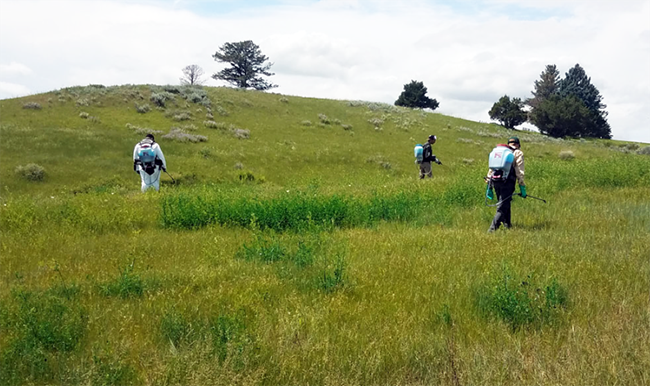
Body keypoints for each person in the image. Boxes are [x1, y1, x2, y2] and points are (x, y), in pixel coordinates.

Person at [487, 136, 526, 232]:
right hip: (508, 182)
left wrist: (488, 181)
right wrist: (521, 185)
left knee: (505, 203)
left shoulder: (499, 151)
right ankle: (492, 230)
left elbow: (492, 168)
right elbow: (519, 170)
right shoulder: (517, 152)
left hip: (495, 181)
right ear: (518, 145)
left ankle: (507, 225)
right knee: (502, 206)